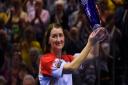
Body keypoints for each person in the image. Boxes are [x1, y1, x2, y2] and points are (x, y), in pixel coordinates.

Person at [38, 23, 107, 85]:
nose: (59, 39)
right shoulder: (46, 60)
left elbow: (93, 55)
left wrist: (97, 34)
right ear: (48, 40)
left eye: (60, 35)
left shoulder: (67, 59)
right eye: (54, 36)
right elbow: (71, 68)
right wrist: (90, 43)